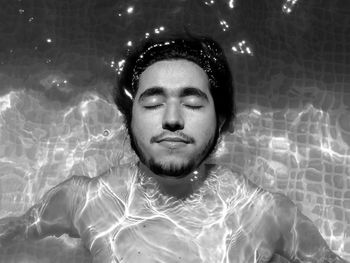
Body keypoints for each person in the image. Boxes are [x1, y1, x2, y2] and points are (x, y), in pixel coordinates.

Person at [0, 34, 348, 263]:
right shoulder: (82, 201)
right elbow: (12, 234)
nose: (171, 119)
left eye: (193, 104)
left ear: (223, 119)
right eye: (152, 104)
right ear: (129, 118)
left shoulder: (268, 215)